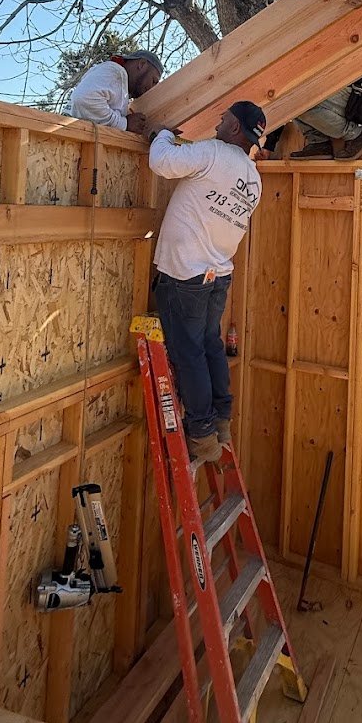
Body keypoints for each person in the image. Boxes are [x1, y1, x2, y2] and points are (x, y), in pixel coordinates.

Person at [149, 101, 266, 464]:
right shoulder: (253, 178)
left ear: (235, 129)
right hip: (217, 274)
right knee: (209, 344)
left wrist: (164, 134)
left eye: (224, 118)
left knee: (189, 352)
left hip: (186, 275)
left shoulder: (215, 153)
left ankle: (201, 432)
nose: (217, 122)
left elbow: (162, 162)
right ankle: (221, 419)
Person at [70, 50, 164, 134]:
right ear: (142, 64)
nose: (152, 88)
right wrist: (125, 124)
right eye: (153, 81)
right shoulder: (115, 71)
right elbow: (83, 99)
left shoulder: (120, 83)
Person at [288, 78, 362, 160]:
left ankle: (356, 135)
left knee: (300, 101)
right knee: (288, 104)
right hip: (334, 89)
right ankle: (319, 143)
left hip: (354, 94)